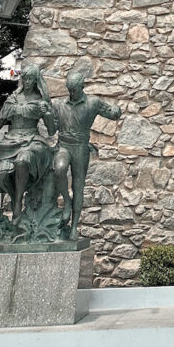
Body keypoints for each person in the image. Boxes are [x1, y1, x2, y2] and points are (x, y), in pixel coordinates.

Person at [0, 64, 56, 223]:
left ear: (35, 81)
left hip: (32, 140)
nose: (27, 81)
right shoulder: (12, 99)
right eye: (24, 78)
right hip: (11, 140)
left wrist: (47, 113)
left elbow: (52, 131)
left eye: (31, 78)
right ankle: (14, 197)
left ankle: (18, 204)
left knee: (22, 160)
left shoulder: (40, 101)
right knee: (2, 173)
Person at [52, 70, 121, 239]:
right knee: (59, 169)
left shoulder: (93, 103)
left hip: (81, 148)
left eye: (74, 89)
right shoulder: (59, 104)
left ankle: (74, 226)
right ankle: (67, 202)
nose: (72, 93)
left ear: (82, 87)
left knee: (78, 186)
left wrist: (116, 111)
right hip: (64, 145)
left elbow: (111, 113)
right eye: (69, 89)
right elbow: (52, 127)